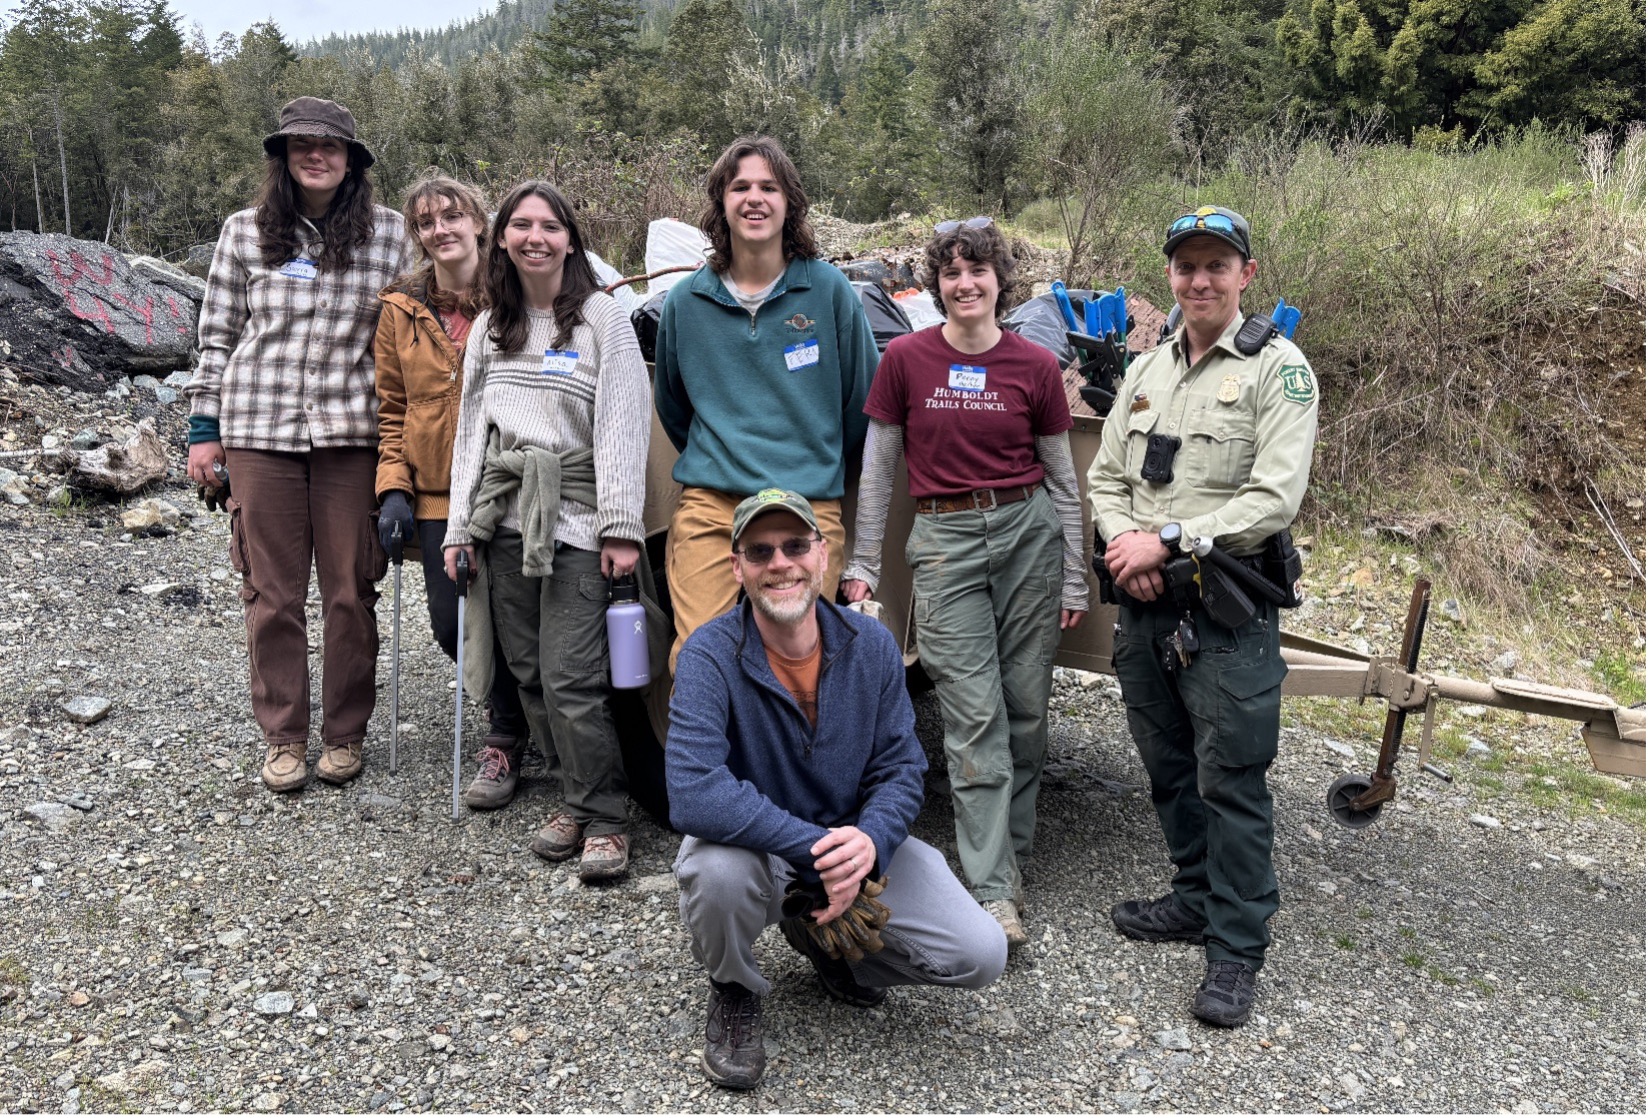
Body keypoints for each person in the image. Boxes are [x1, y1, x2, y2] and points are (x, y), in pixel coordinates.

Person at [667, 489, 1007, 1091]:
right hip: (764, 855)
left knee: (981, 954)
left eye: (796, 545)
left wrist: (871, 843)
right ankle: (734, 987)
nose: (780, 563)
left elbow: (901, 767)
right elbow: (693, 791)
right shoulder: (707, 656)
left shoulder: (871, 645)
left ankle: (827, 944)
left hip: (852, 849)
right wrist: (820, 849)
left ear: (823, 557)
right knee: (715, 874)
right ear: (736, 565)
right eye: (761, 551)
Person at [1086, 205, 1319, 1027]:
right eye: (1186, 265)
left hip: (1224, 608)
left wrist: (1170, 542)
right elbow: (1107, 480)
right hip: (1147, 609)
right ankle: (1192, 896)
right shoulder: (1148, 370)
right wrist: (1126, 548)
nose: (1200, 279)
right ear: (1171, 277)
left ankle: (1235, 948)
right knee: (1168, 766)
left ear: (1246, 275)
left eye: (1217, 264)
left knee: (1233, 779)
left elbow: (1273, 497)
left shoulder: (1278, 371)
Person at [842, 218, 1089, 951]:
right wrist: (859, 565)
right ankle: (994, 891)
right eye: (951, 272)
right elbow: (879, 471)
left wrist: (1075, 574)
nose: (966, 283)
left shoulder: (1035, 366)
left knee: (1025, 710)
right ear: (937, 284)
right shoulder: (907, 360)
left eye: (978, 271)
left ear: (998, 281)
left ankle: (1007, 856)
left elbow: (1063, 480)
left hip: (1027, 535)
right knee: (973, 717)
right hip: (945, 543)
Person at [185, 96, 413, 793]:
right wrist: (203, 431)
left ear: (352, 162)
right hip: (258, 430)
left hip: (352, 433)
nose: (317, 155)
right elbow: (217, 334)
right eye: (301, 144)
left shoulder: (392, 236)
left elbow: (417, 329)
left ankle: (345, 733)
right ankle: (283, 735)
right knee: (271, 594)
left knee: (351, 590)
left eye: (331, 146)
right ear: (282, 156)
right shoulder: (244, 233)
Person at [442, 181, 650, 882]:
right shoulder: (489, 327)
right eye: (521, 225)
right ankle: (572, 794)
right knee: (528, 672)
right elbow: (472, 430)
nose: (536, 237)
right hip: (503, 520)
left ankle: (608, 815)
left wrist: (621, 526)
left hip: (580, 517)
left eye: (550, 226)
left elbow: (624, 425)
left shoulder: (601, 319)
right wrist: (458, 528)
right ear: (500, 238)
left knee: (571, 676)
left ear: (570, 238)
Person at [653, 135, 878, 671]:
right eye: (740, 187)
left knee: (807, 657)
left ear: (789, 202)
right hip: (713, 502)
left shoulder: (827, 291)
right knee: (699, 655)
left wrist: (814, 459)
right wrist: (724, 455)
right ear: (721, 203)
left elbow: (861, 403)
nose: (754, 198)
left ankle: (804, 757)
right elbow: (674, 405)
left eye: (768, 187)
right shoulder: (686, 302)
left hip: (806, 498)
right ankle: (703, 756)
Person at [372, 175, 536, 810]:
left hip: (514, 486)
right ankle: (512, 721)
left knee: (522, 619)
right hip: (440, 495)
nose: (440, 229)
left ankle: (509, 735)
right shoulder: (400, 311)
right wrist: (393, 489)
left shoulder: (520, 295)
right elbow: (391, 409)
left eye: (451, 215)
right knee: (453, 623)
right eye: (426, 222)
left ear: (477, 222)